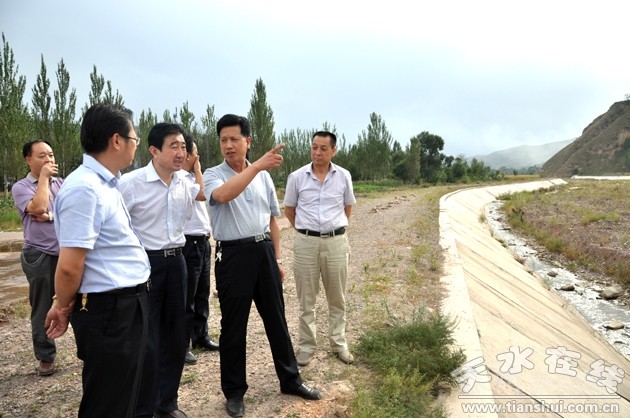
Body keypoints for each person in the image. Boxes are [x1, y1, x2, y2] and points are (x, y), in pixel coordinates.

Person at [203, 114, 322, 418]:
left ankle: (290, 379)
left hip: (264, 251)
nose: (228, 145)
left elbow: (272, 221)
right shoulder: (214, 174)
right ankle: (234, 392)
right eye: (223, 140)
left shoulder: (264, 177)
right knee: (234, 327)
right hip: (233, 256)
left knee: (276, 319)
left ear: (248, 141)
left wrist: (277, 259)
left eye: (234, 139)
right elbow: (223, 195)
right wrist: (256, 166)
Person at [44, 104, 151, 417]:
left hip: (126, 303)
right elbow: (69, 266)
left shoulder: (106, 183)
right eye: (134, 138)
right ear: (117, 140)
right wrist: (62, 305)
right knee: (108, 401)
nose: (136, 144)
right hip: (109, 309)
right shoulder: (85, 188)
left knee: (126, 393)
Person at [120, 123, 201, 418]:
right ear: (154, 150)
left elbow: (190, 216)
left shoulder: (186, 183)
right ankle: (141, 408)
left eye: (183, 147)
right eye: (173, 146)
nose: (181, 153)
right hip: (146, 264)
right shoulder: (131, 183)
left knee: (176, 336)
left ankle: (166, 403)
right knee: (147, 339)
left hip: (177, 261)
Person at [283, 131, 356, 366]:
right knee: (306, 299)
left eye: (323, 148)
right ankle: (306, 346)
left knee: (337, 298)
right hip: (306, 243)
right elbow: (289, 210)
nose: (317, 152)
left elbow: (347, 207)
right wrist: (307, 232)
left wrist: (332, 230)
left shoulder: (343, 176)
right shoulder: (297, 177)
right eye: (314, 147)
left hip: (336, 242)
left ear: (333, 151)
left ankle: (339, 344)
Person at [12, 140, 64, 377]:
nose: (49, 160)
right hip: (39, 254)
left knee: (81, 302)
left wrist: (51, 216)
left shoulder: (62, 184)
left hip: (66, 253)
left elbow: (70, 213)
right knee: (42, 306)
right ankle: (45, 356)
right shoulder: (21, 187)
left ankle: (87, 350)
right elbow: (38, 207)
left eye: (51, 155)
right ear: (28, 159)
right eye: (42, 156)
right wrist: (43, 178)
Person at [182, 134, 219, 366]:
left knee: (202, 293)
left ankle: (200, 335)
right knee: (187, 297)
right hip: (189, 243)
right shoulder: (180, 178)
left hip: (203, 242)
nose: (198, 157)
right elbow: (204, 194)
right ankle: (183, 343)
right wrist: (197, 169)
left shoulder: (190, 178)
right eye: (195, 153)